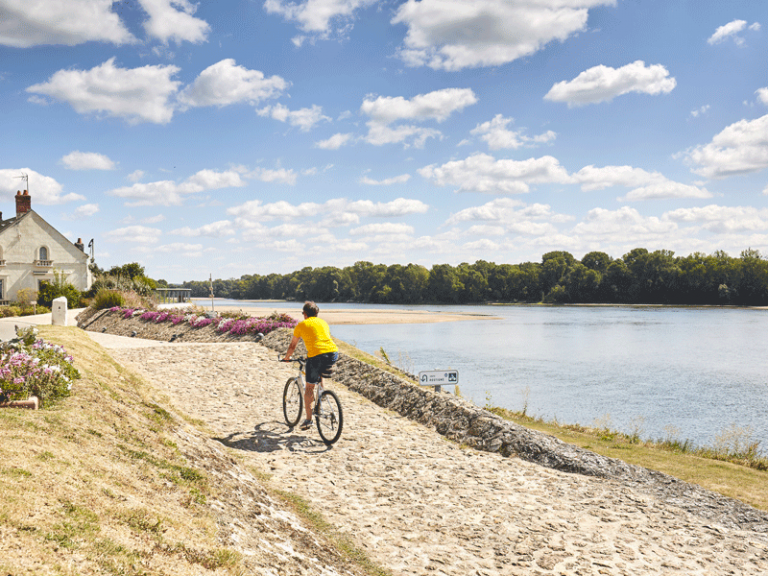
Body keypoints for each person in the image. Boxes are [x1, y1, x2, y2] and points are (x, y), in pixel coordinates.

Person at [282, 301, 339, 430]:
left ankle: (308, 420)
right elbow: (319, 341)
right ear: (317, 313)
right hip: (333, 354)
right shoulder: (323, 322)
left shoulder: (301, 325)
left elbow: (292, 346)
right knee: (318, 366)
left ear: (305, 314)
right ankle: (322, 392)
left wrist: (287, 357)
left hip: (317, 356)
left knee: (308, 388)